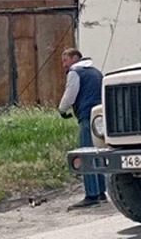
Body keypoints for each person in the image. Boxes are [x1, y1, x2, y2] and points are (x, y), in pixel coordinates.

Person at [59, 48, 107, 209]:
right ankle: (101, 192)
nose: (64, 65)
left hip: (86, 116)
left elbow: (70, 94)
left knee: (86, 154)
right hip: (100, 119)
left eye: (65, 60)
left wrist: (62, 110)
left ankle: (91, 195)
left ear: (74, 58)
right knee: (98, 154)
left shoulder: (75, 72)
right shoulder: (96, 72)